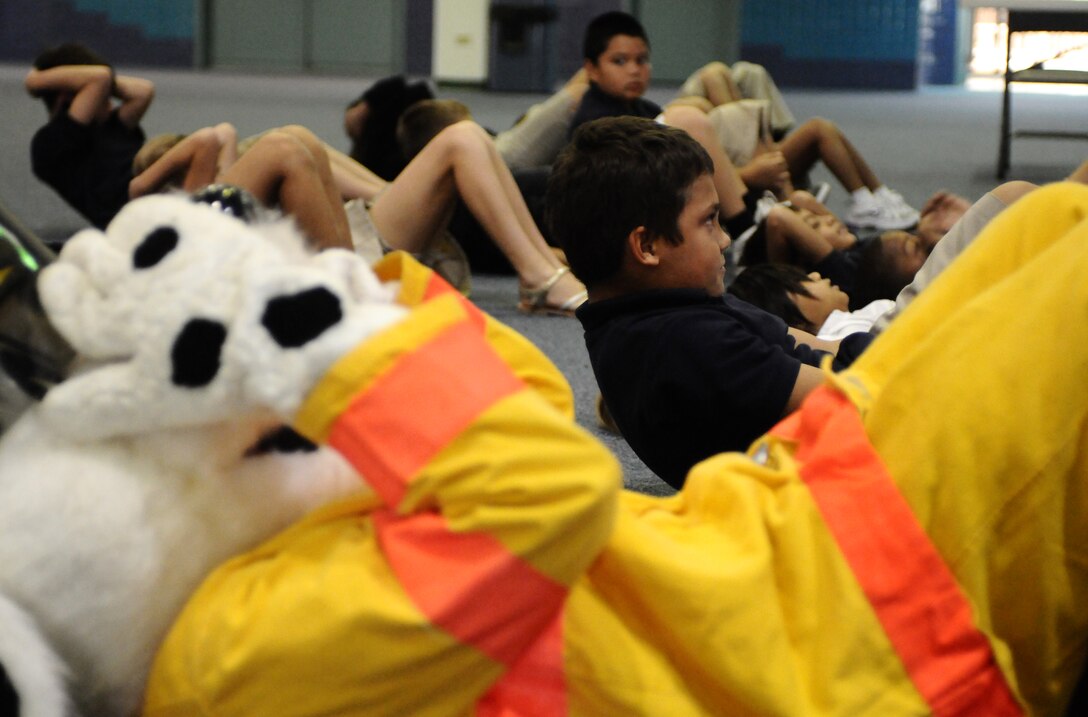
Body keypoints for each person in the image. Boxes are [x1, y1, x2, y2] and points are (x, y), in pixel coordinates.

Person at [61, 179, 1088, 715]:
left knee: (1047, 219)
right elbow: (548, 486)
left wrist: (365, 293)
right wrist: (306, 340)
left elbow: (526, 400)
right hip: (860, 613)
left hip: (797, 543)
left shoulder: (259, 541)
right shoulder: (222, 660)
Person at [548, 116, 873, 489]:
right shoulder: (686, 342)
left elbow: (820, 347)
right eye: (709, 221)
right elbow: (864, 398)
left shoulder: (673, 310)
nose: (724, 240)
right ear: (648, 246)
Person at [132, 122, 586, 314]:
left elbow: (223, 140)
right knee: (460, 142)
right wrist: (179, 159)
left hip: (359, 228)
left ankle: (542, 268)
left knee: (467, 135)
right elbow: (216, 137)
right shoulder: (189, 209)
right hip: (359, 255)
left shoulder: (233, 185)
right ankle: (541, 274)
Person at [570, 11, 918, 231]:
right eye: (620, 61)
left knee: (813, 124)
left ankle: (875, 197)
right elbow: (651, 186)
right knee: (815, 131)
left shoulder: (641, 106)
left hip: (734, 175)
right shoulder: (597, 125)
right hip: (727, 191)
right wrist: (749, 176)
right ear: (591, 69)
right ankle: (850, 199)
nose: (635, 69)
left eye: (642, 60)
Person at [25, 42, 155, 229]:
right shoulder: (51, 144)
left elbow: (143, 91)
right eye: (103, 96)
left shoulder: (112, 126)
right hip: (146, 215)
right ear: (69, 99)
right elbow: (100, 78)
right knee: (205, 140)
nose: (111, 103)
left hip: (170, 191)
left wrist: (105, 84)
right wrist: (34, 82)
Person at [727, 263, 895, 339]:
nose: (815, 275)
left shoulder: (859, 317)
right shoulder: (841, 339)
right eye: (799, 280)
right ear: (794, 324)